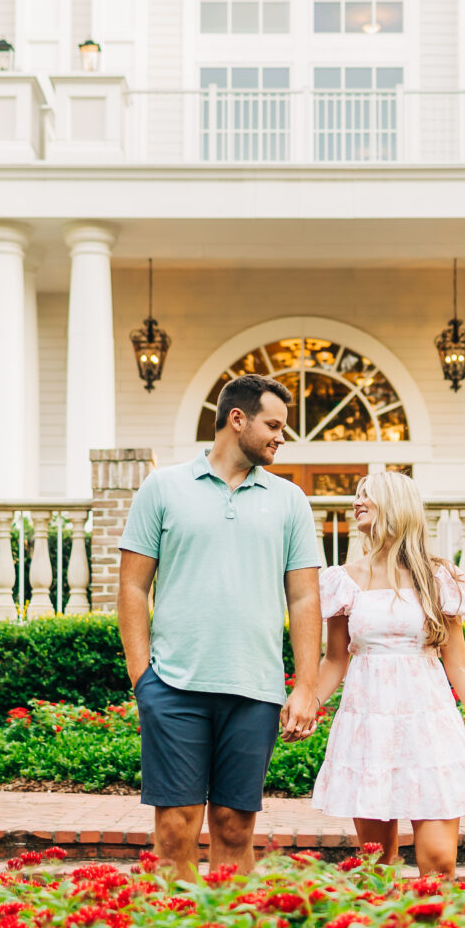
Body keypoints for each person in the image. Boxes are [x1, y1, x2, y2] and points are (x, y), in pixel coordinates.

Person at [117, 373, 322, 881]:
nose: (281, 436)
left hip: (253, 689)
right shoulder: (163, 487)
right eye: (273, 425)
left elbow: (304, 597)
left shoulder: (289, 500)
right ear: (237, 419)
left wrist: (307, 687)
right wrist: (143, 677)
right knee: (174, 830)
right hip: (175, 685)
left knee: (233, 827)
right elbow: (132, 588)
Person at [311, 471, 465, 877]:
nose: (356, 502)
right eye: (357, 495)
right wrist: (307, 706)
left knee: (439, 861)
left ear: (394, 504)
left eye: (366, 496)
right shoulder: (343, 580)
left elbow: (458, 663)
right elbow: (335, 659)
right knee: (376, 862)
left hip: (429, 726)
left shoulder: (439, 577)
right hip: (368, 727)